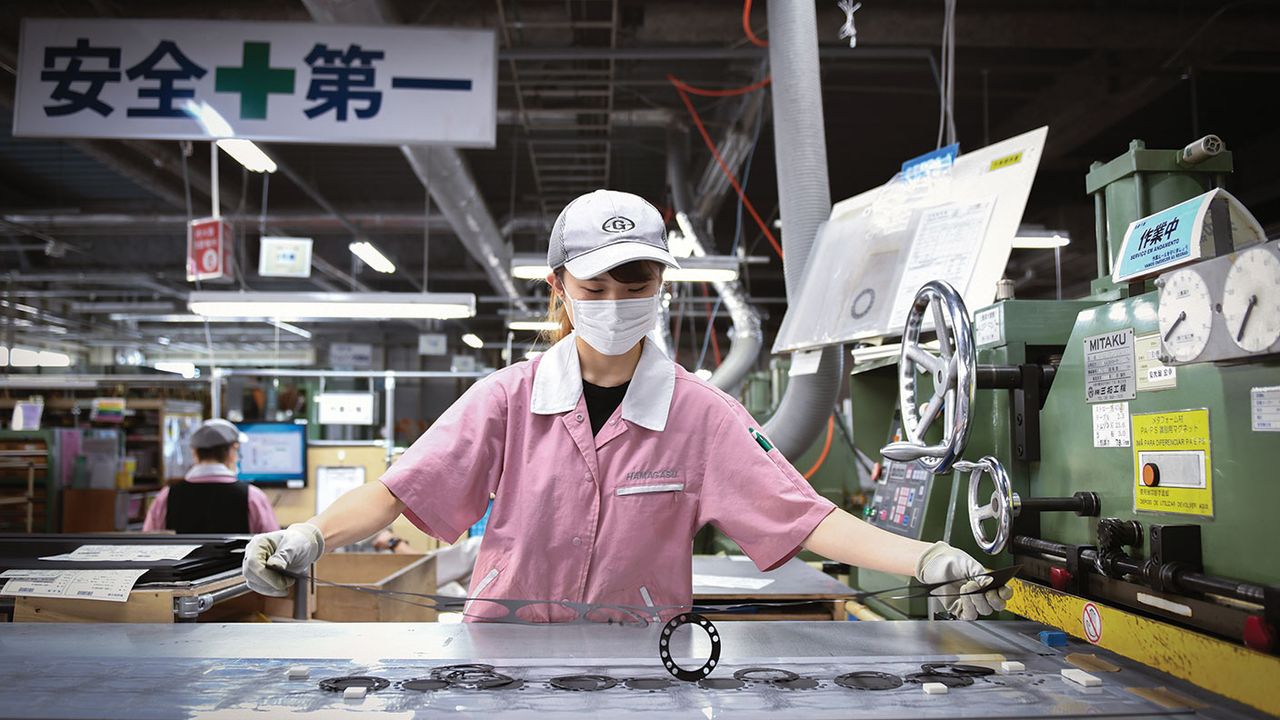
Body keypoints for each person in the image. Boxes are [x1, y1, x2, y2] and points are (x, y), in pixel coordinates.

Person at [243, 189, 1010, 622]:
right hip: (499, 669)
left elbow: (806, 518)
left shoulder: (701, 415)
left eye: (635, 283)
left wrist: (930, 559)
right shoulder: (506, 400)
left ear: (660, 287)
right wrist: (308, 534)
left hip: (645, 670)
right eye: (595, 286)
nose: (615, 301)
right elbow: (397, 493)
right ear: (559, 288)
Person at [144, 419, 281, 534]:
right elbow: (274, 549)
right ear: (232, 453)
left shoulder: (166, 497)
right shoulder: (253, 497)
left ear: (195, 453)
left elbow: (147, 545)